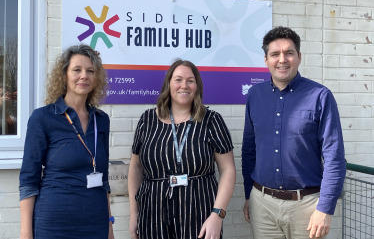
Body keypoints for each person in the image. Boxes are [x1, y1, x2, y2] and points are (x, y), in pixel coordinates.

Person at [242, 27, 346, 239]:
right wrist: (248, 196)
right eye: (275, 54)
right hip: (262, 204)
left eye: (289, 53)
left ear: (299, 57)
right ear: (265, 60)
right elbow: (249, 150)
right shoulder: (254, 96)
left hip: (306, 207)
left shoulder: (320, 97)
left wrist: (325, 208)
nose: (282, 59)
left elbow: (334, 158)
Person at [128, 59, 236, 239]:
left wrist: (217, 214)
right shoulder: (147, 120)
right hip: (152, 214)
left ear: (197, 86)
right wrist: (134, 213)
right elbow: (136, 167)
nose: (184, 85)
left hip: (199, 214)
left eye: (190, 80)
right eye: (178, 79)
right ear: (168, 84)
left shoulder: (211, 120)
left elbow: (228, 170)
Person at [19, 45, 114, 239]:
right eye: (77, 70)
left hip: (95, 222)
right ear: (64, 76)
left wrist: (109, 226)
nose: (84, 76)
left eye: (90, 71)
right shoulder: (43, 118)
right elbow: (29, 179)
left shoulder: (101, 120)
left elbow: (103, 178)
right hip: (54, 222)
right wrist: (26, 232)